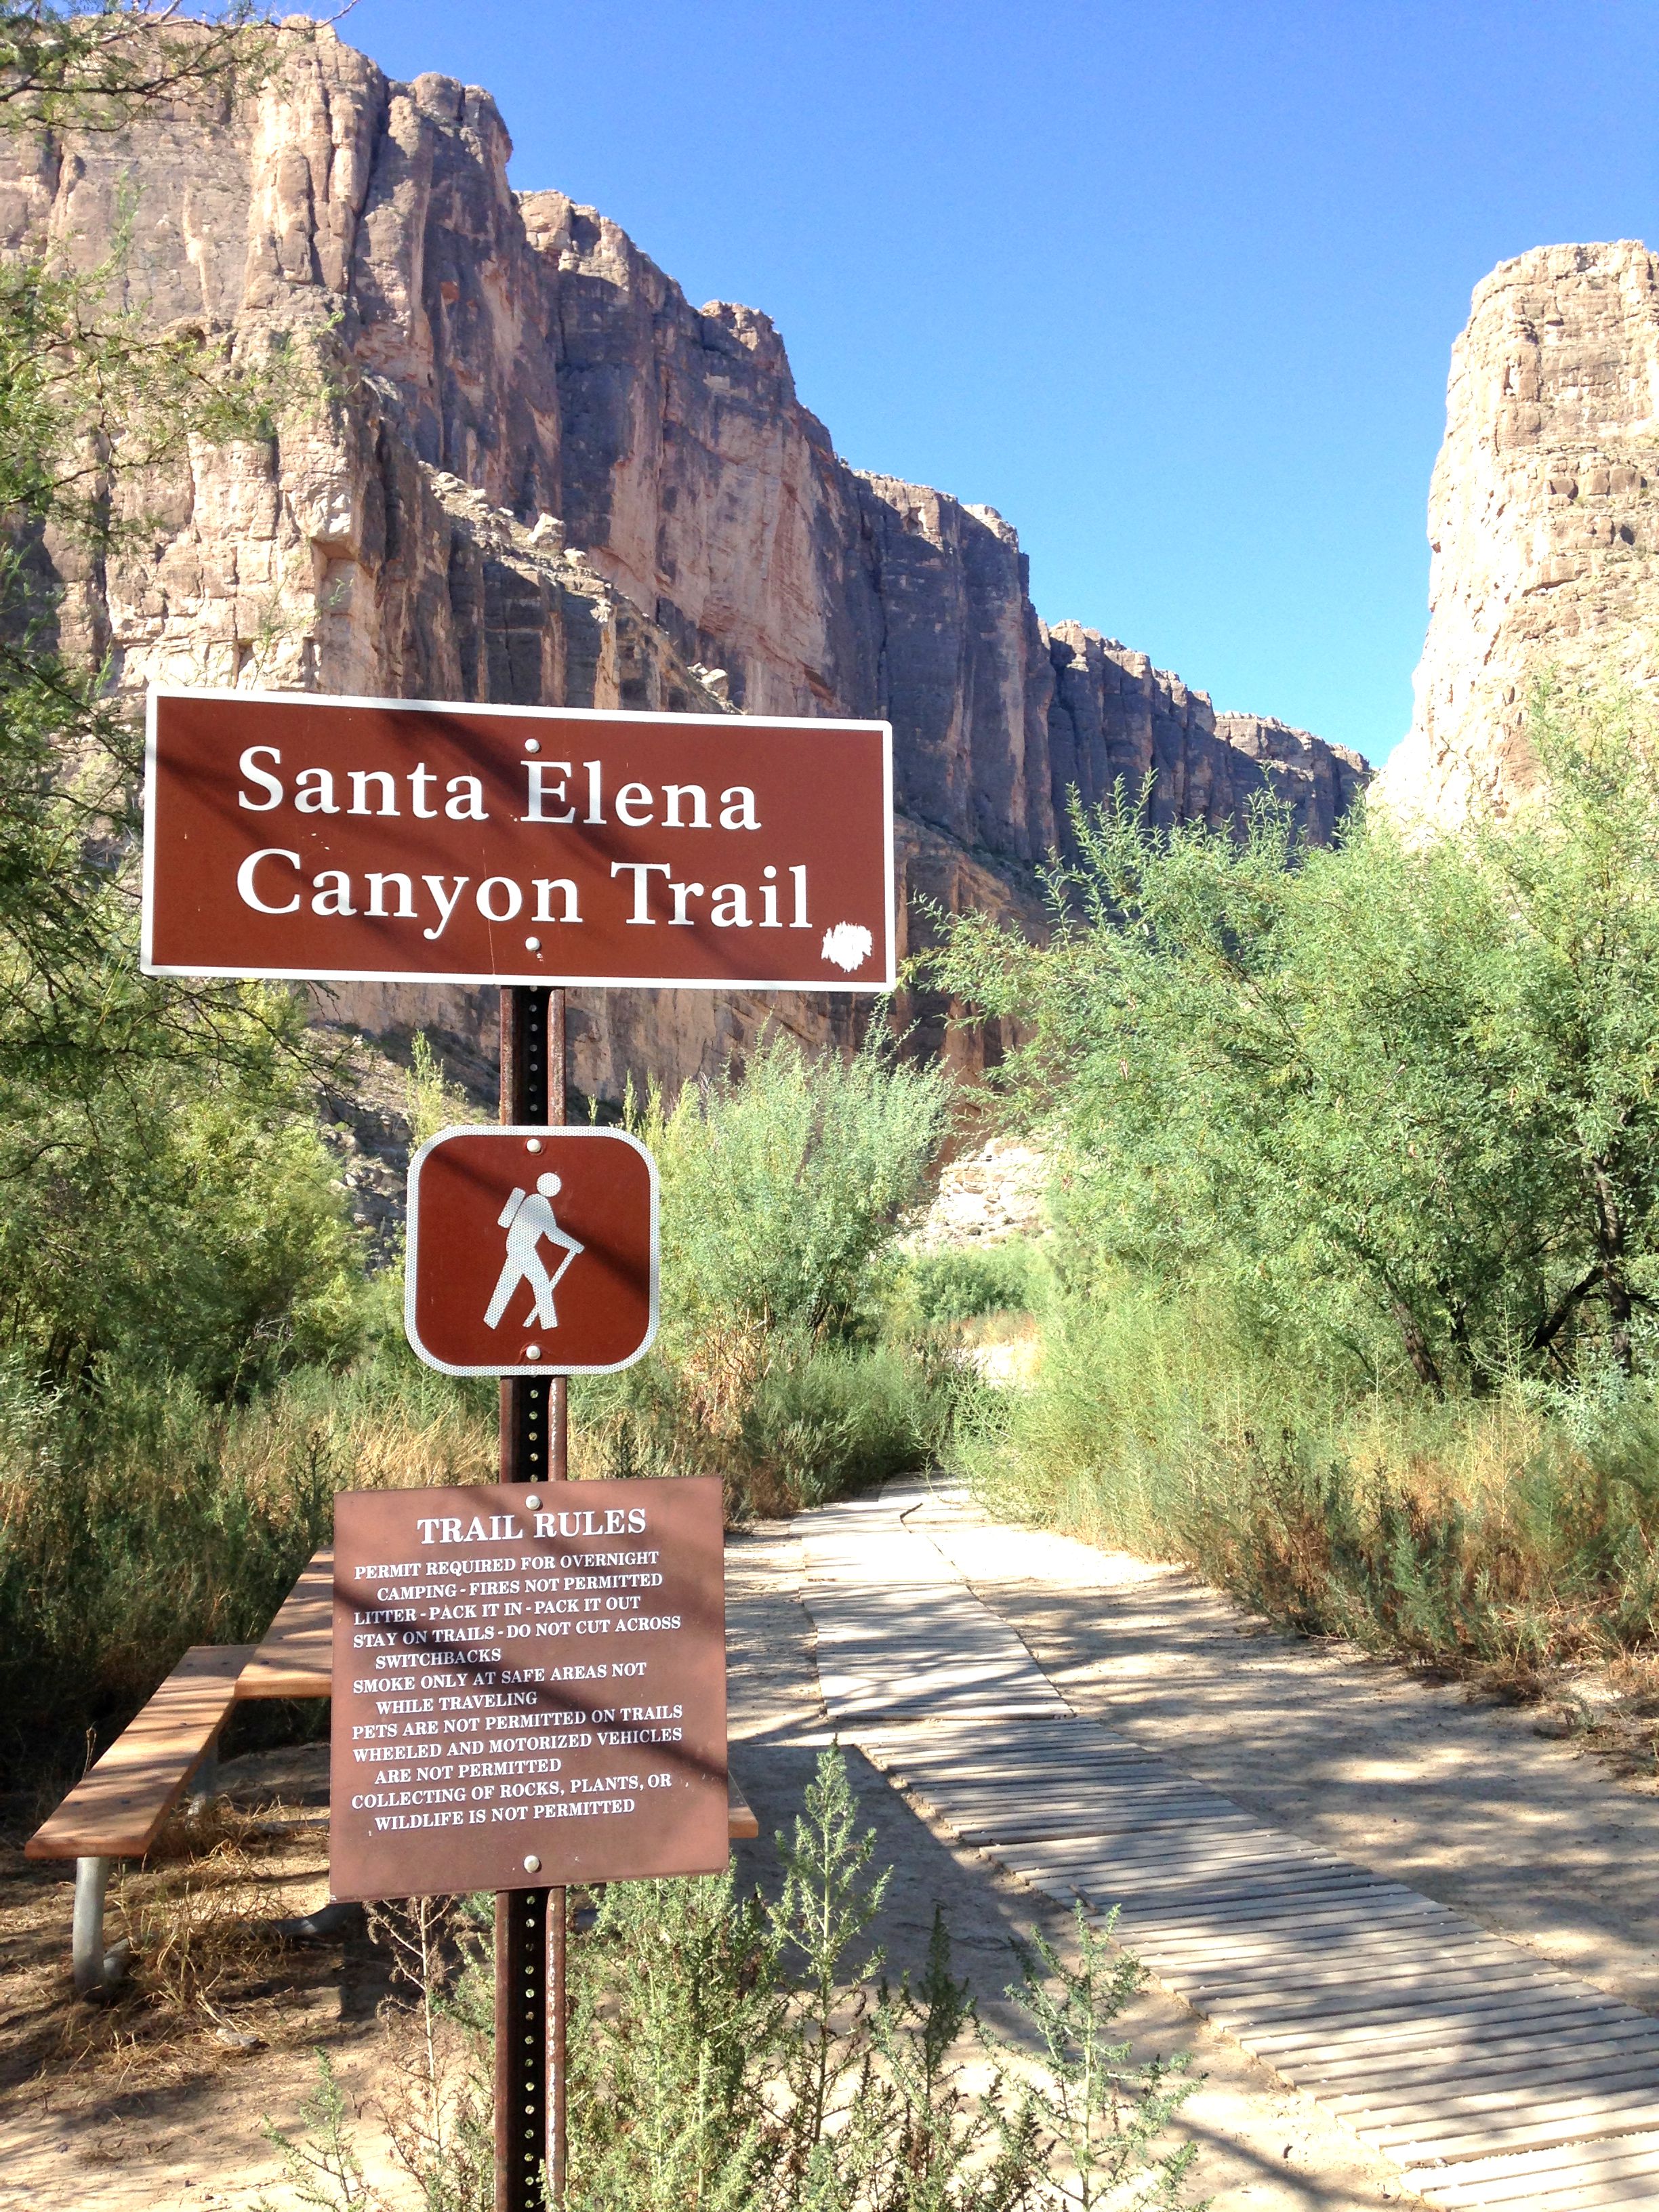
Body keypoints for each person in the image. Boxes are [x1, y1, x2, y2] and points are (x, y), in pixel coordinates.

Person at [484, 1172, 585, 1332]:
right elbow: (552, 1234)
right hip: (522, 1248)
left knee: (507, 1283)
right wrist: (575, 1245)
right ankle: (550, 1326)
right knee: (541, 1283)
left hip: (515, 1246)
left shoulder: (532, 1200)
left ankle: (490, 1322)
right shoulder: (540, 1203)